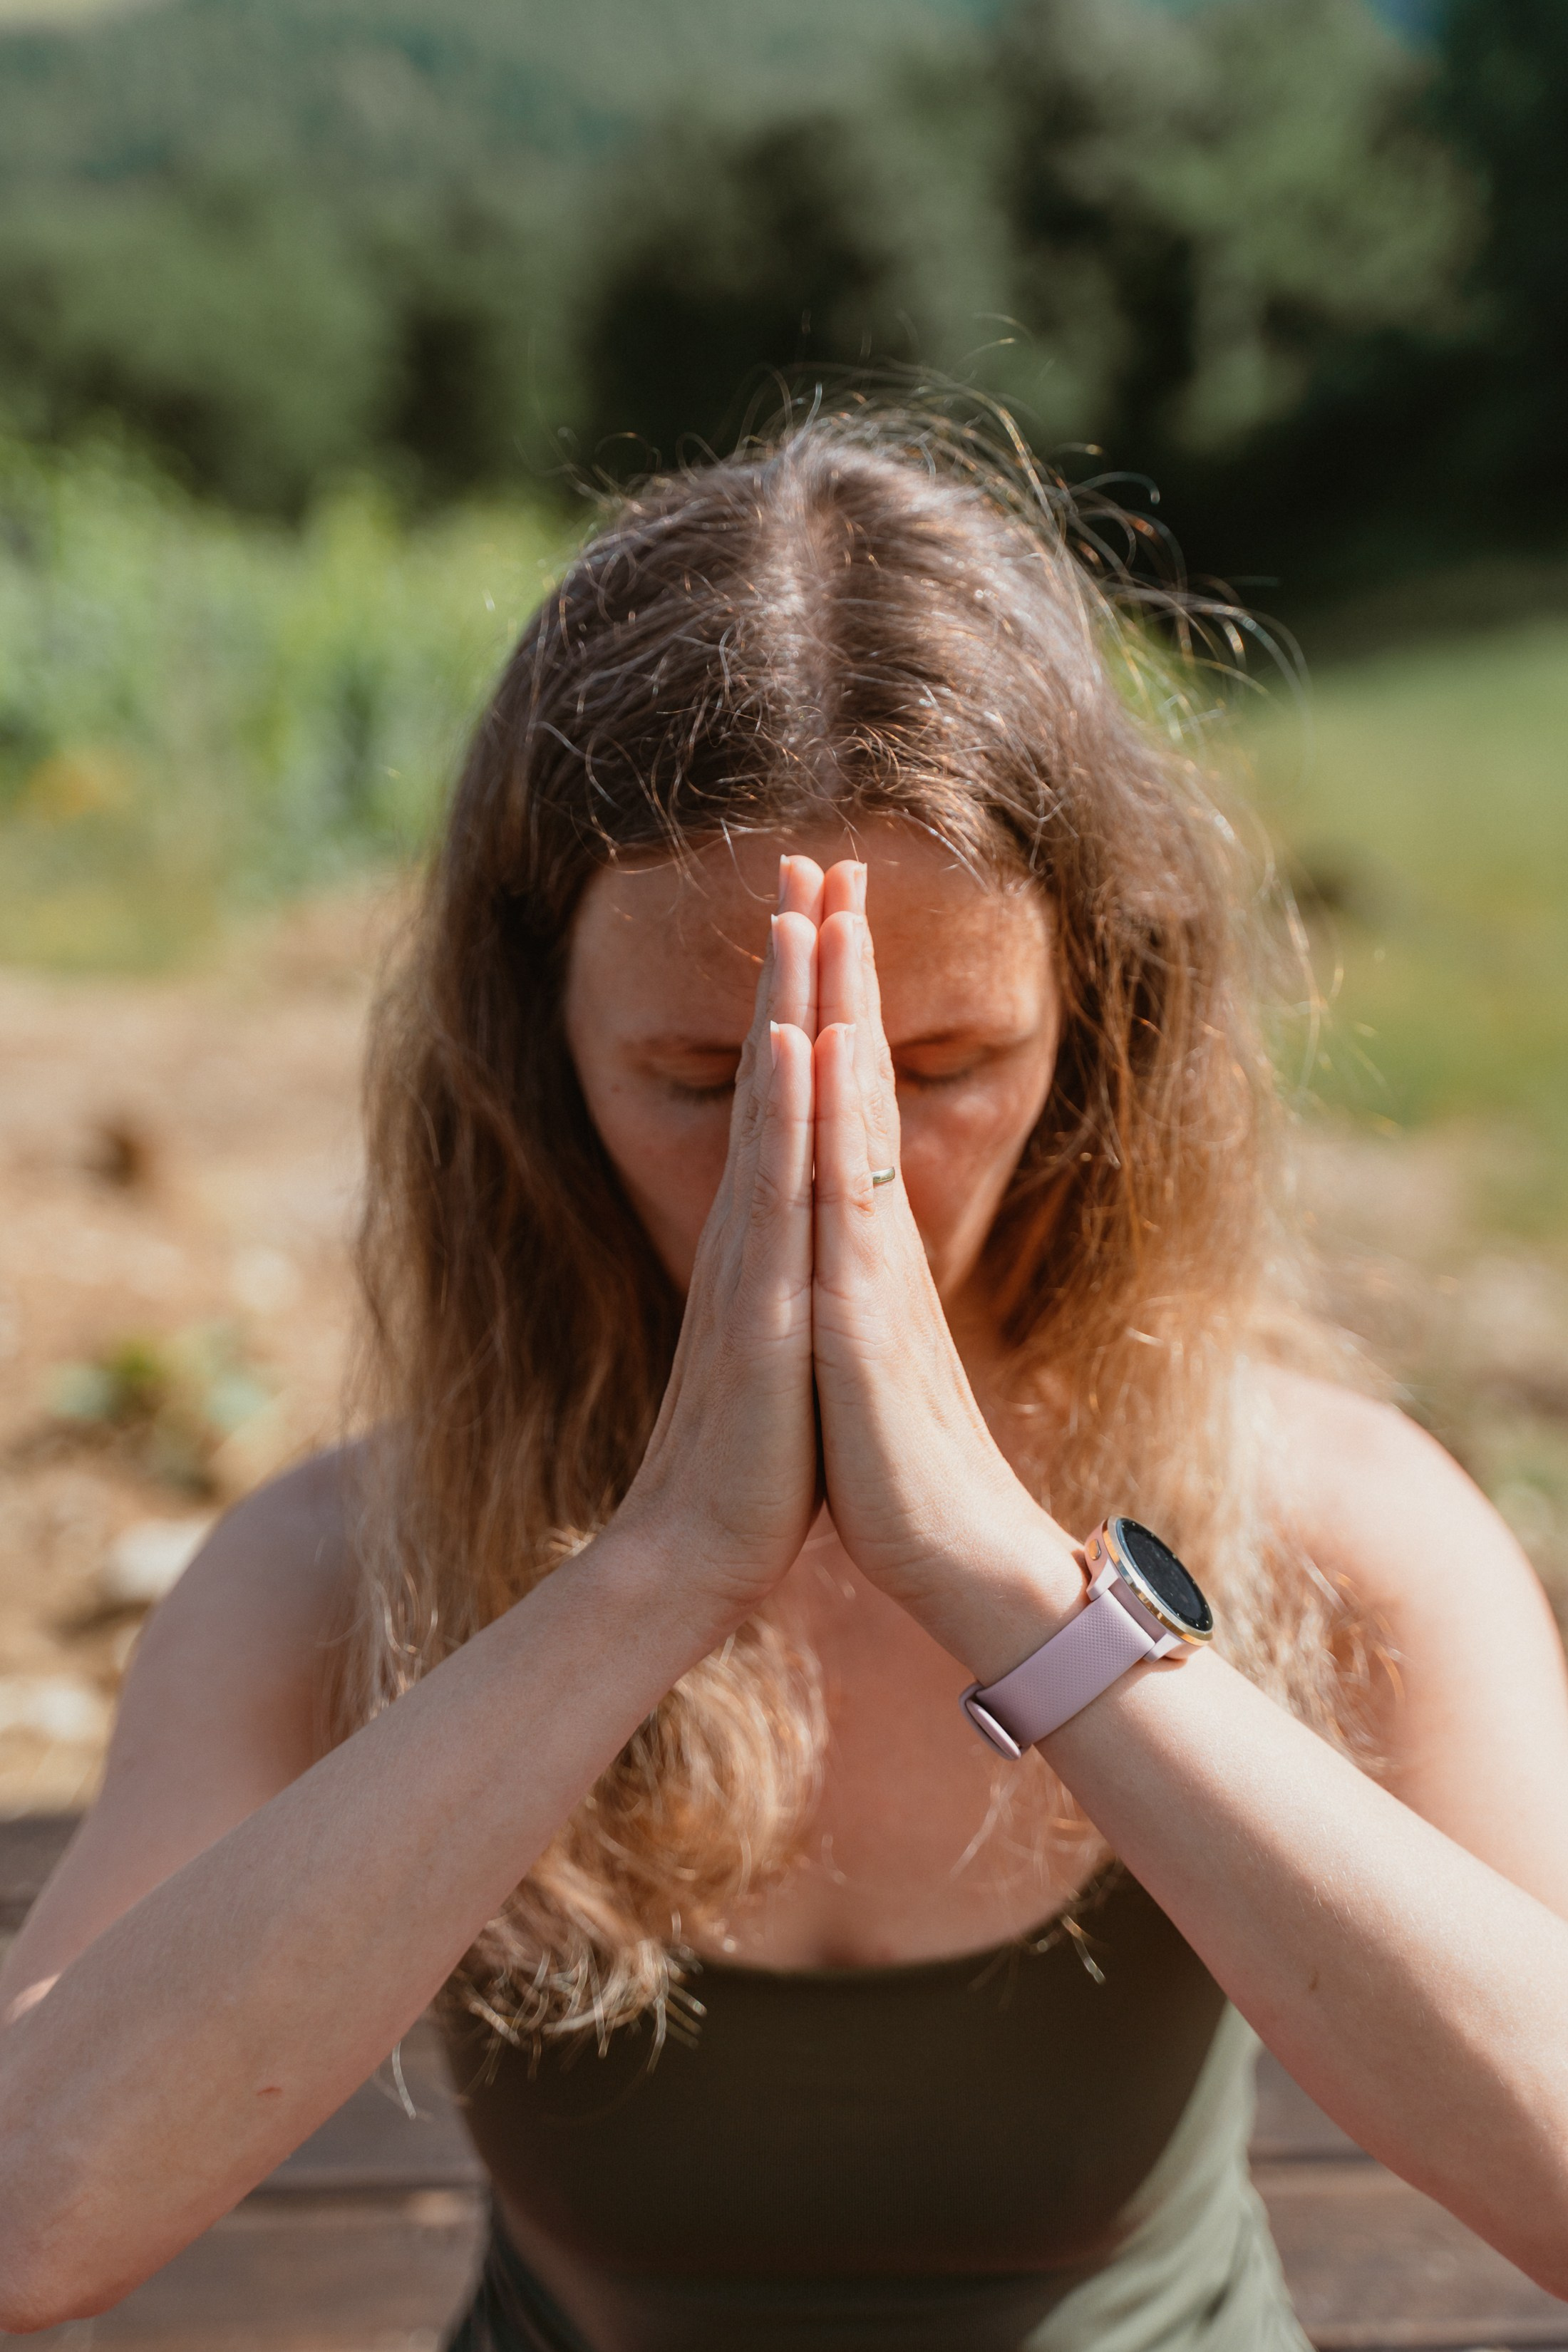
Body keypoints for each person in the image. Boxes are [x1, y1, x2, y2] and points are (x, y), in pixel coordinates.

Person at [3, 412, 1567, 2352]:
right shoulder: (330, 1565)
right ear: (533, 1050)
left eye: (948, 1065)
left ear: (1099, 1033)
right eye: (701, 1077)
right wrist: (652, 1574)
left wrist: (1009, 1585)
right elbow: (29, 2216)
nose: (841, 1171)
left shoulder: (1341, 1516)